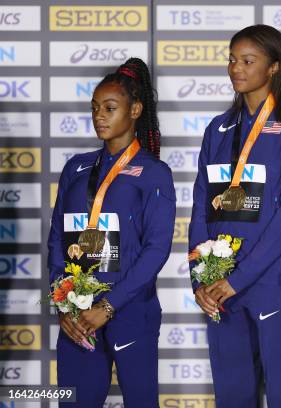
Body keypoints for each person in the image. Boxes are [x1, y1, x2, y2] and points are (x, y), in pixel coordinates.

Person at [188, 25, 281, 407]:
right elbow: (200, 208)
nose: (235, 68)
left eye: (247, 61)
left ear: (274, 67)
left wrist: (238, 279)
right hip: (220, 283)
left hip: (272, 280)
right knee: (232, 394)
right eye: (231, 59)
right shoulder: (217, 129)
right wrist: (200, 276)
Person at [48, 58, 176, 407]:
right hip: (78, 314)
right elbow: (58, 238)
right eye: (94, 108)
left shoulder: (154, 172)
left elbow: (157, 248)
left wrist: (109, 305)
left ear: (135, 109)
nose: (99, 116)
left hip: (130, 310)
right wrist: (63, 303)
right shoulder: (75, 167)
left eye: (109, 108)